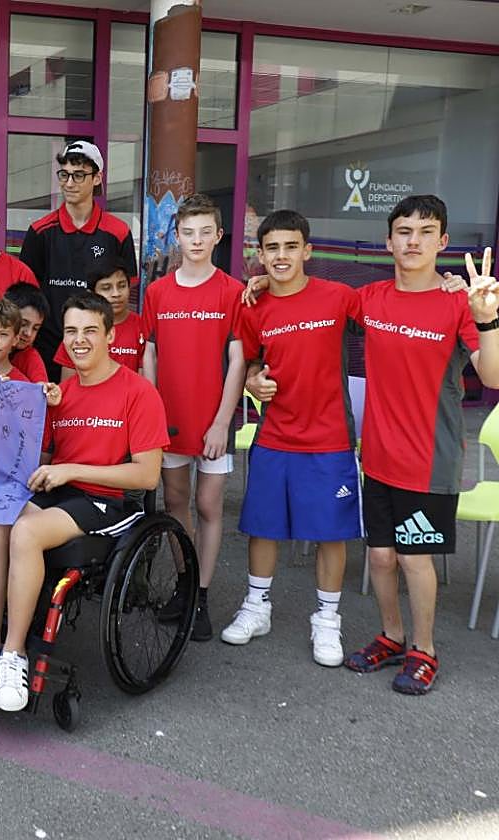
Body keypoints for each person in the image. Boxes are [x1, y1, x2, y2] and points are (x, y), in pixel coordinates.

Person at [0, 293, 167, 711]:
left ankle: (14, 655)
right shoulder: (58, 394)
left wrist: (71, 470)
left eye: (90, 330)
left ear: (111, 336)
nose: (79, 340)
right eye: (72, 331)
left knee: (26, 531)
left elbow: (147, 475)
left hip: (108, 501)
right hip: (60, 493)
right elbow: (33, 457)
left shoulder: (139, 392)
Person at [343, 195, 499, 694]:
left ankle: (424, 649)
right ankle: (392, 636)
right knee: (380, 557)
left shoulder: (458, 303)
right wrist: (265, 280)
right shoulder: (370, 298)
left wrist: (487, 319)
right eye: (404, 232)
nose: (414, 241)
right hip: (378, 455)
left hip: (430, 459)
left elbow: (492, 375)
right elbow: (314, 304)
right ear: (389, 242)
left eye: (426, 232)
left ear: (442, 241)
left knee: (414, 559)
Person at [221, 210, 362, 666]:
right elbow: (250, 362)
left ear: (307, 250)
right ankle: (256, 607)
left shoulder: (338, 297)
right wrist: (253, 381)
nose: (281, 256)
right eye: (272, 248)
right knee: (263, 526)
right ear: (260, 255)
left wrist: (448, 286)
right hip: (275, 435)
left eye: (290, 246)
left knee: (330, 533)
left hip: (330, 439)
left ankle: (327, 621)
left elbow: (390, 309)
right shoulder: (253, 306)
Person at [142, 194, 246, 642]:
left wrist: (222, 422)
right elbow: (149, 353)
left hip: (213, 421)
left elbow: (238, 361)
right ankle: (185, 584)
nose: (197, 240)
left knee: (208, 506)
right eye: (188, 232)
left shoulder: (232, 291)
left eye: (205, 232)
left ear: (218, 236)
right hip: (170, 418)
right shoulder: (157, 292)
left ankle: (201, 595)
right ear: (177, 237)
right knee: (176, 502)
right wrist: (152, 411)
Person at [18, 140, 138, 380]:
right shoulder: (40, 232)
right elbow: (27, 297)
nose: (69, 183)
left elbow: (124, 299)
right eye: (64, 175)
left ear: (97, 178)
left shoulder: (118, 232)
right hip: (47, 352)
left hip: (99, 350)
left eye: (79, 175)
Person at [56, 267, 144, 379]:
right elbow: (67, 383)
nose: (116, 294)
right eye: (106, 288)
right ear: (91, 293)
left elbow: (144, 379)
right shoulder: (78, 329)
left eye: (122, 286)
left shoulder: (142, 326)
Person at [4, 282, 51, 383]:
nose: (28, 333)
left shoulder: (32, 358)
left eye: (35, 328)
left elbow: (41, 389)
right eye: (23, 324)